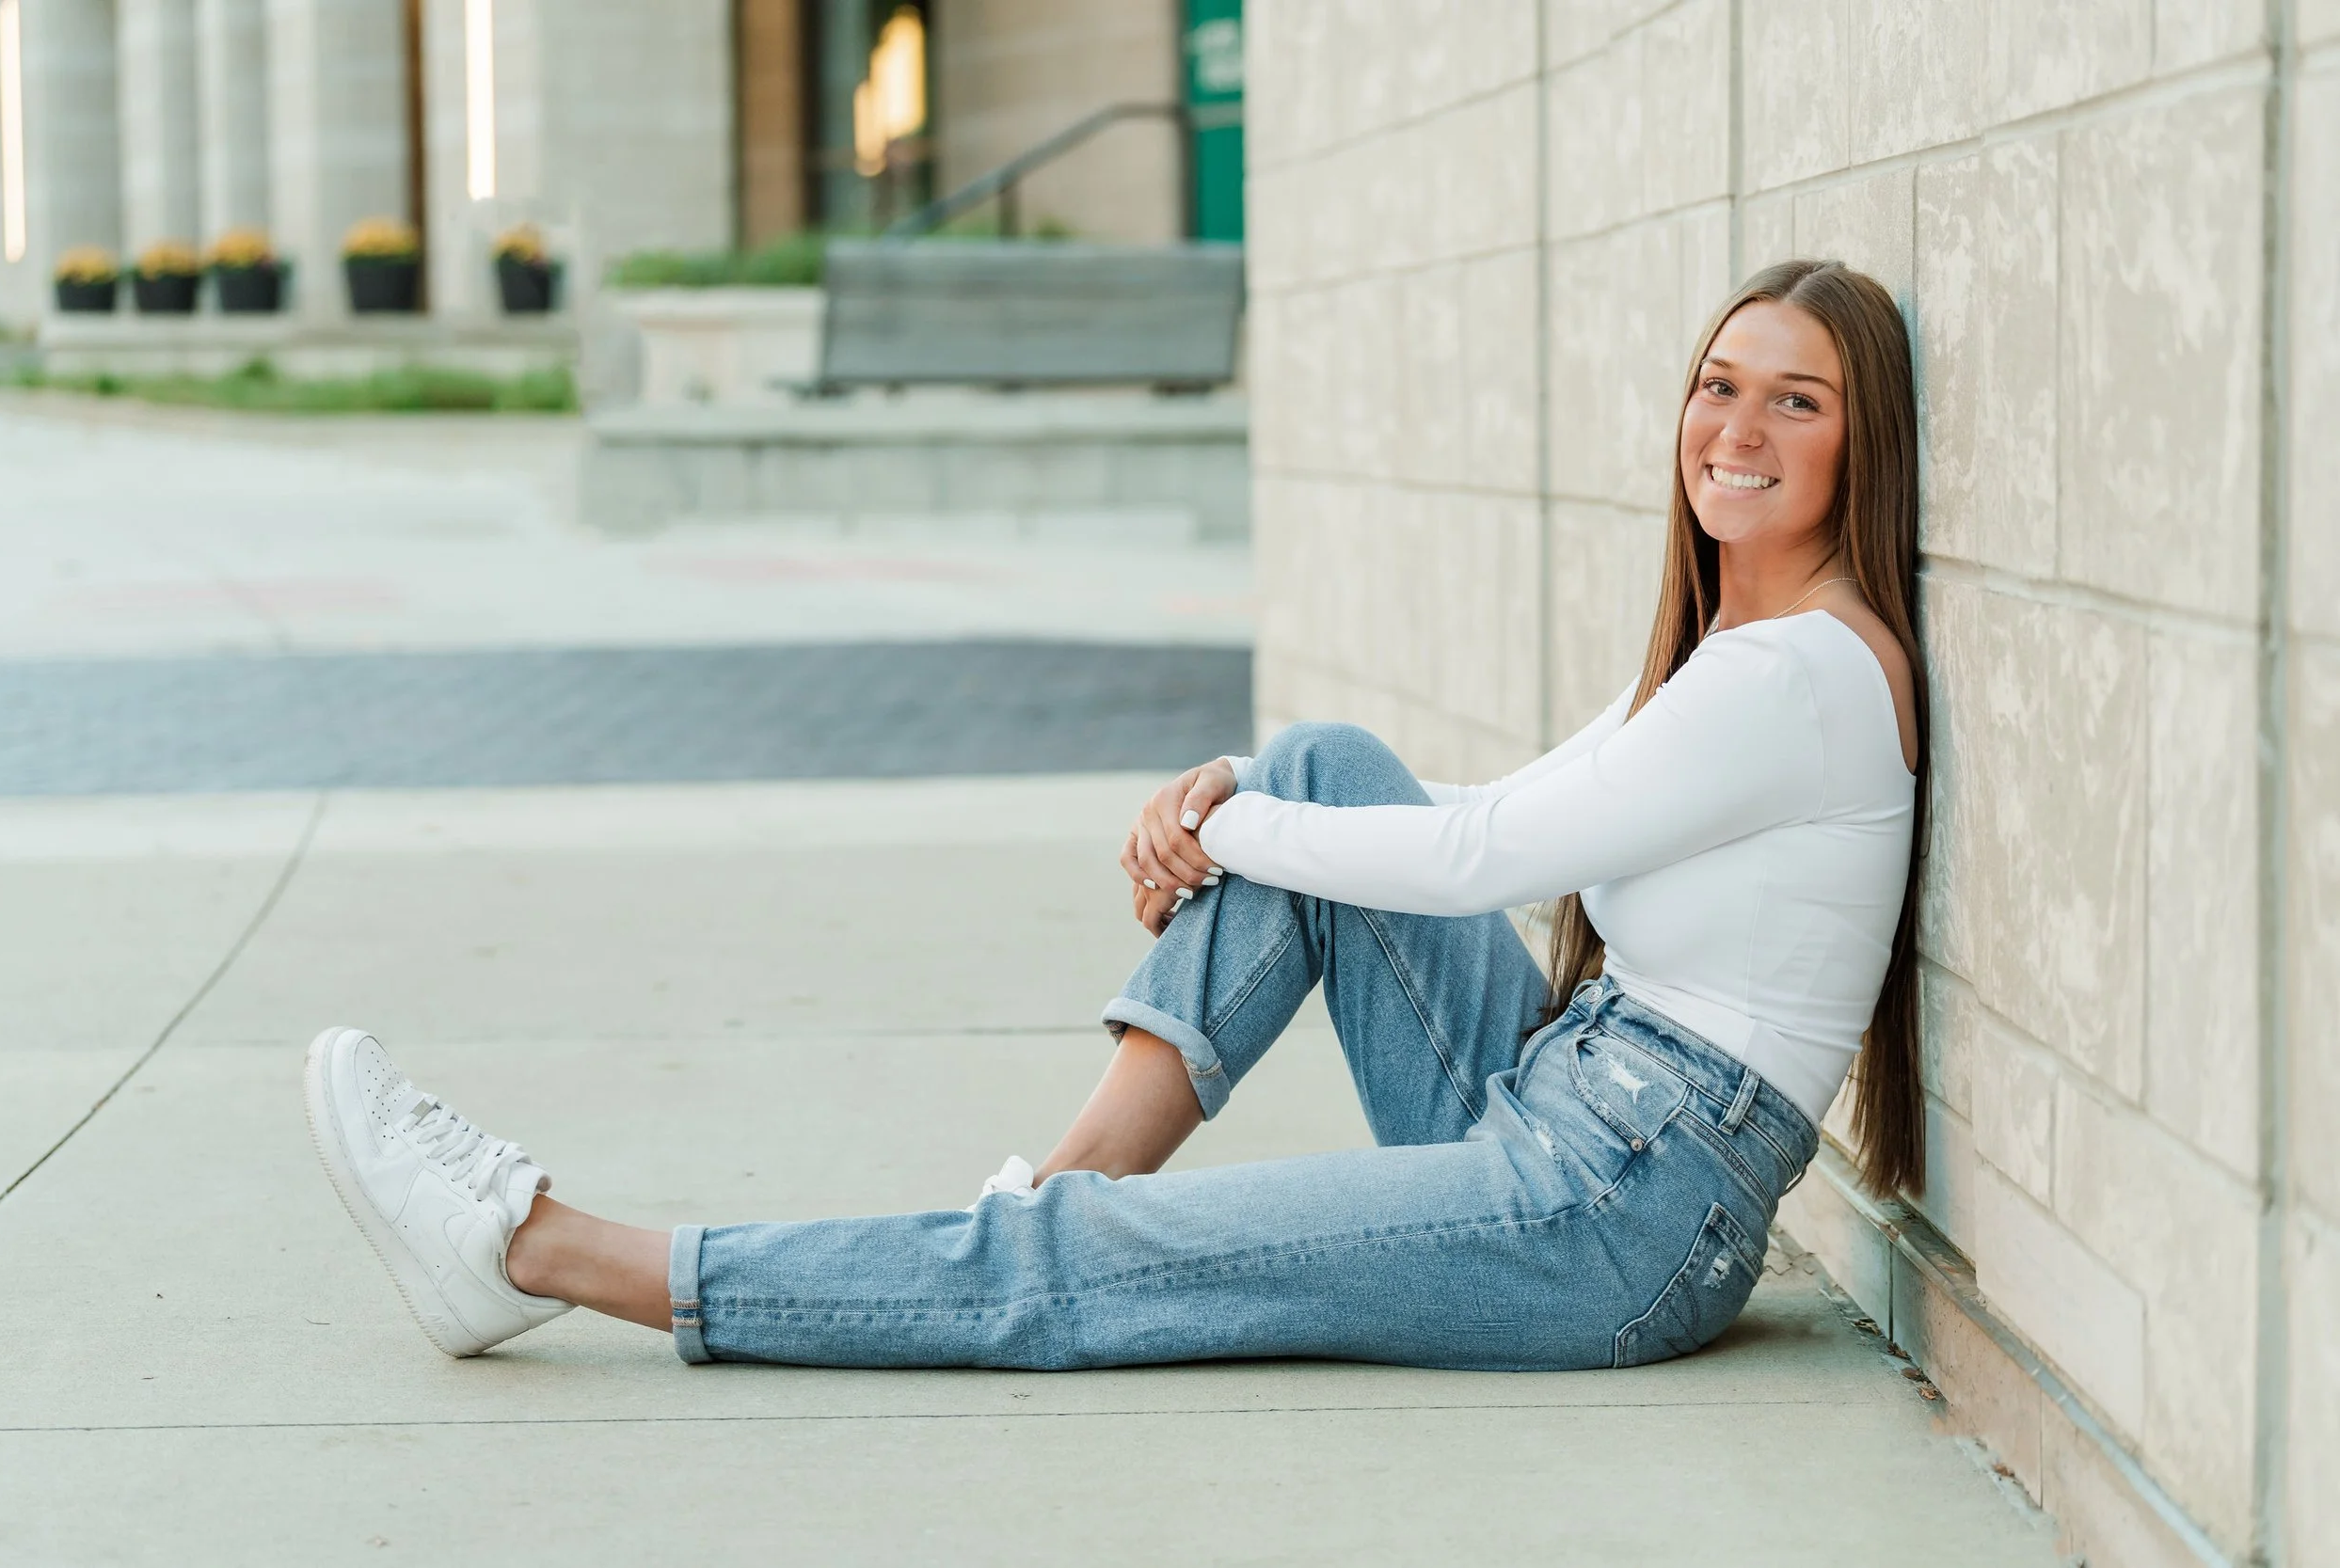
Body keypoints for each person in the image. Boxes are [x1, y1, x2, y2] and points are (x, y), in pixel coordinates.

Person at [303, 258, 1928, 1371]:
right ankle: (1058, 1187)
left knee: (1097, 1271)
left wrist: (1219, 836)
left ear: (1863, 445)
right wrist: (1249, 797)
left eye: (1797, 401)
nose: (1738, 430)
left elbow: (1486, 861)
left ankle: (542, 1250)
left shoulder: (1788, 678)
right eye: (1721, 386)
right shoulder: (1736, 653)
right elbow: (1485, 809)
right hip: (1584, 1116)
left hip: (1621, 1214)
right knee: (1322, 761)